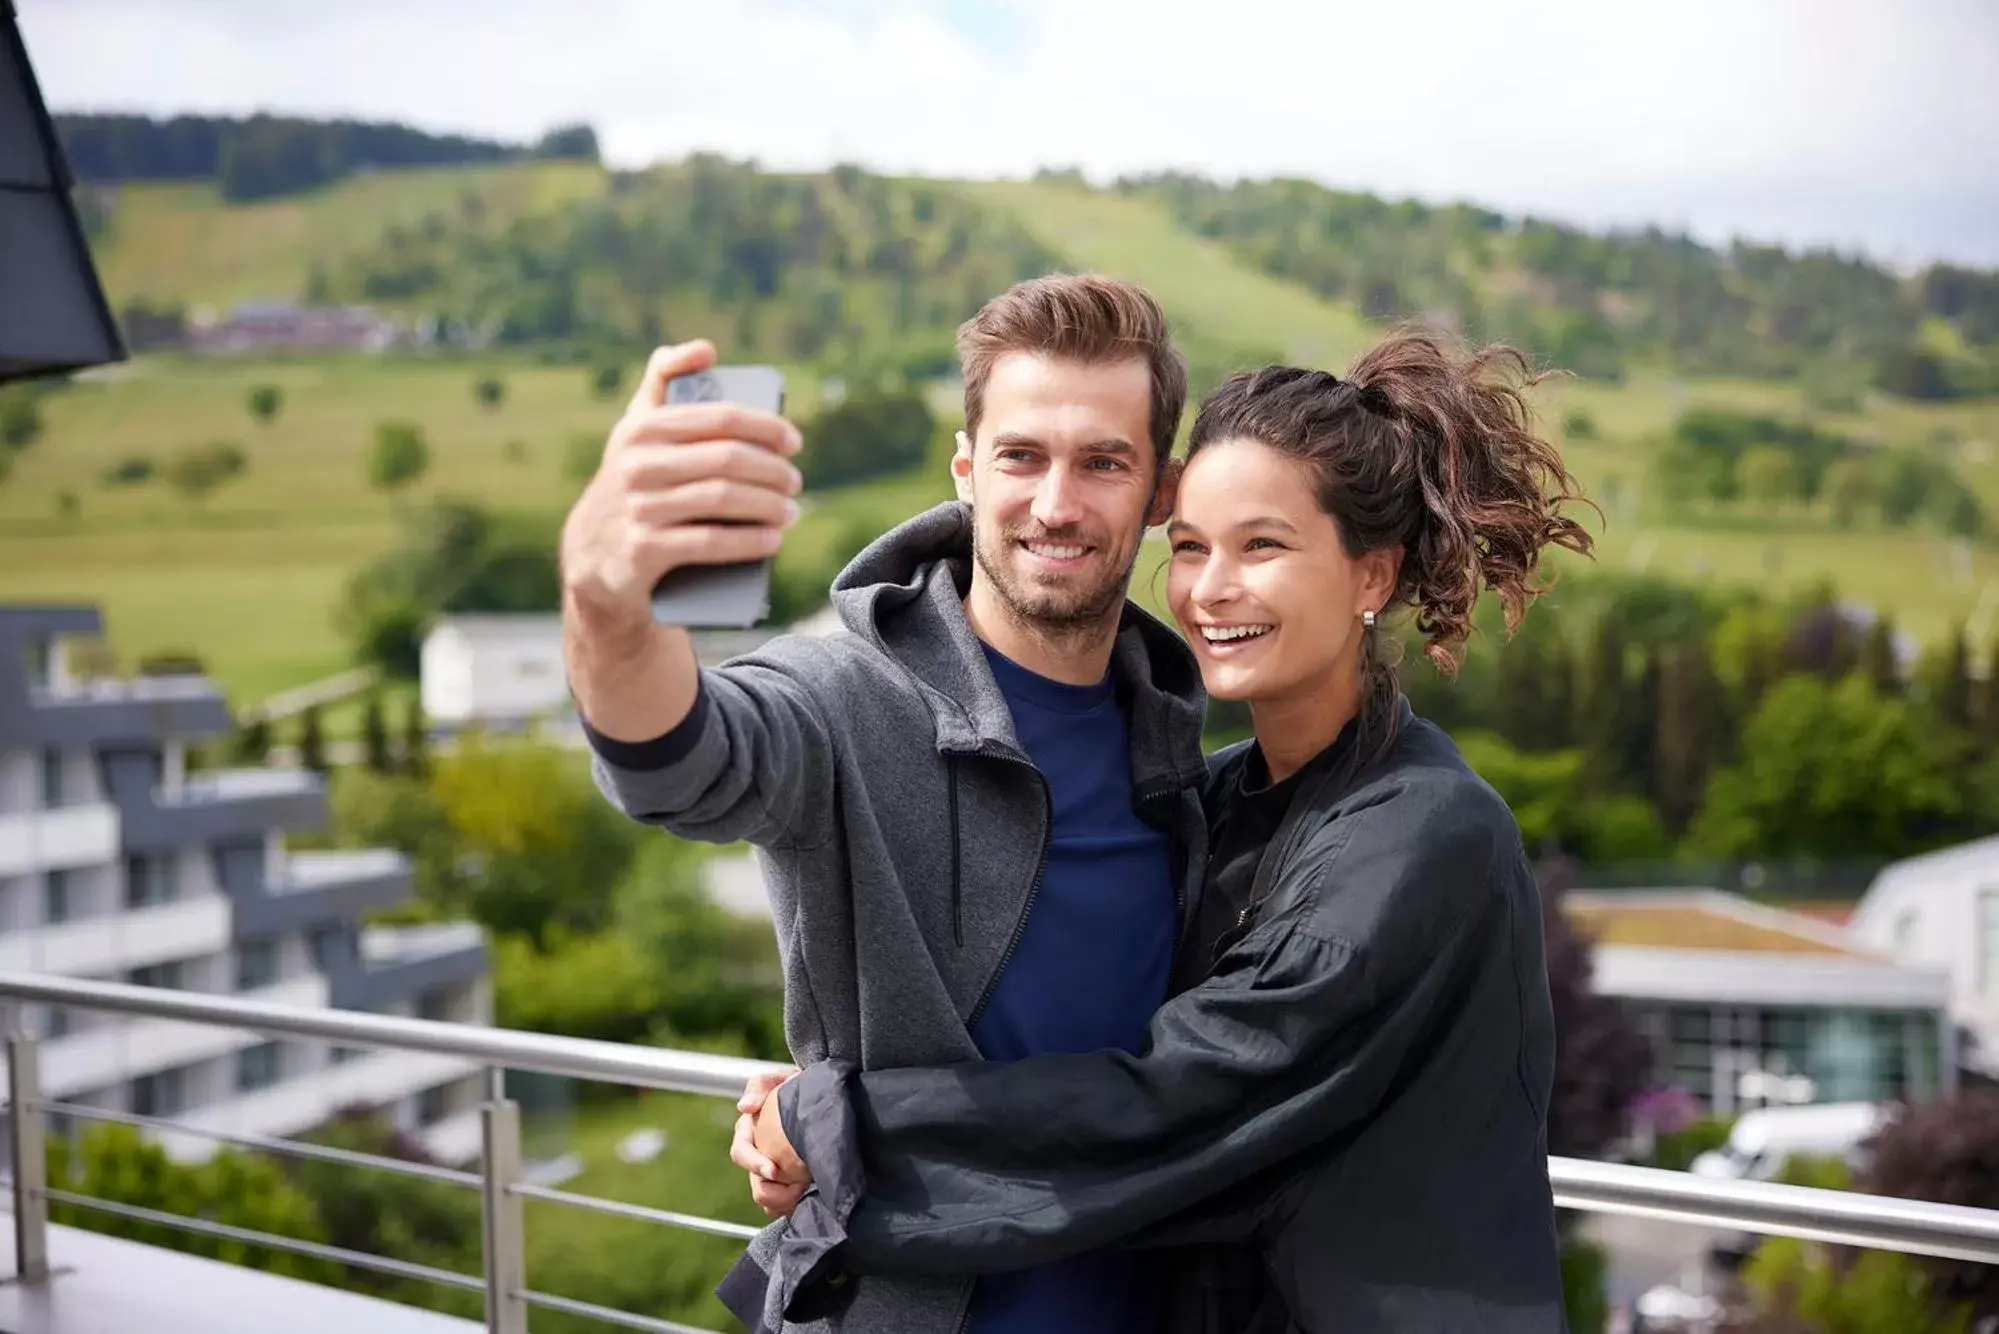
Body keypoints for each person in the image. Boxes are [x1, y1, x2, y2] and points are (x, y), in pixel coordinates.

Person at [731, 329, 1598, 1333]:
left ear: (1372, 575)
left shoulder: (1422, 834)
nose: (1208, 588)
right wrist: (825, 1100)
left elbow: (1176, 1102)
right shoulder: (1215, 797)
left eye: (1260, 545)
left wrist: (840, 1129)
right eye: (1188, 547)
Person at [560, 273, 1214, 1334]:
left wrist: (811, 1104)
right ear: (965, 468)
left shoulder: (1177, 736)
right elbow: (672, 761)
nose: (1055, 501)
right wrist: (603, 595)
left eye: (1102, 461)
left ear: (1157, 493)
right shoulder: (841, 698)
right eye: (1020, 455)